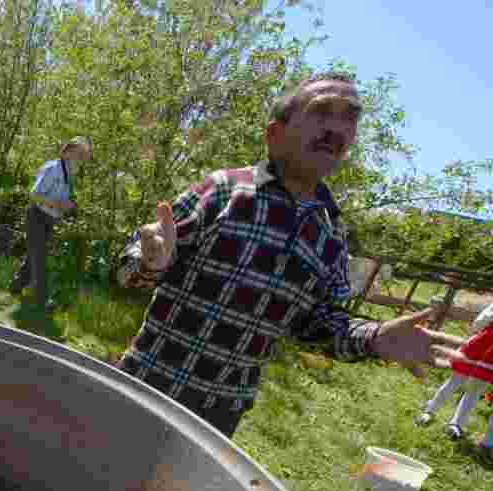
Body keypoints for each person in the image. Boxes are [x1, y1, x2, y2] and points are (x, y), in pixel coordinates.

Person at [115, 71, 459, 438]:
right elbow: (126, 270)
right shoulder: (223, 192)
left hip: (219, 416)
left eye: (349, 118)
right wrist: (150, 264)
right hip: (145, 384)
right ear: (275, 135)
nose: (337, 128)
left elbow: (315, 324)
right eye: (322, 111)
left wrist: (373, 336)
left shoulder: (332, 237)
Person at [10, 136, 93, 310]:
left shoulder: (69, 173)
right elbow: (34, 194)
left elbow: (59, 198)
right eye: (80, 153)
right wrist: (58, 204)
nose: (82, 158)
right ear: (68, 151)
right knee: (39, 259)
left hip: (49, 219)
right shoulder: (53, 168)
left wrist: (69, 204)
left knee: (34, 256)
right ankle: (42, 301)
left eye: (85, 155)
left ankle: (16, 286)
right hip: (37, 216)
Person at [416, 301, 493, 440]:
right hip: (484, 345)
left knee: (456, 381)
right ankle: (455, 423)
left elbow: (482, 320)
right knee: (473, 389)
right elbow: (483, 320)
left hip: (483, 343)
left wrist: (476, 330)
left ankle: (431, 411)